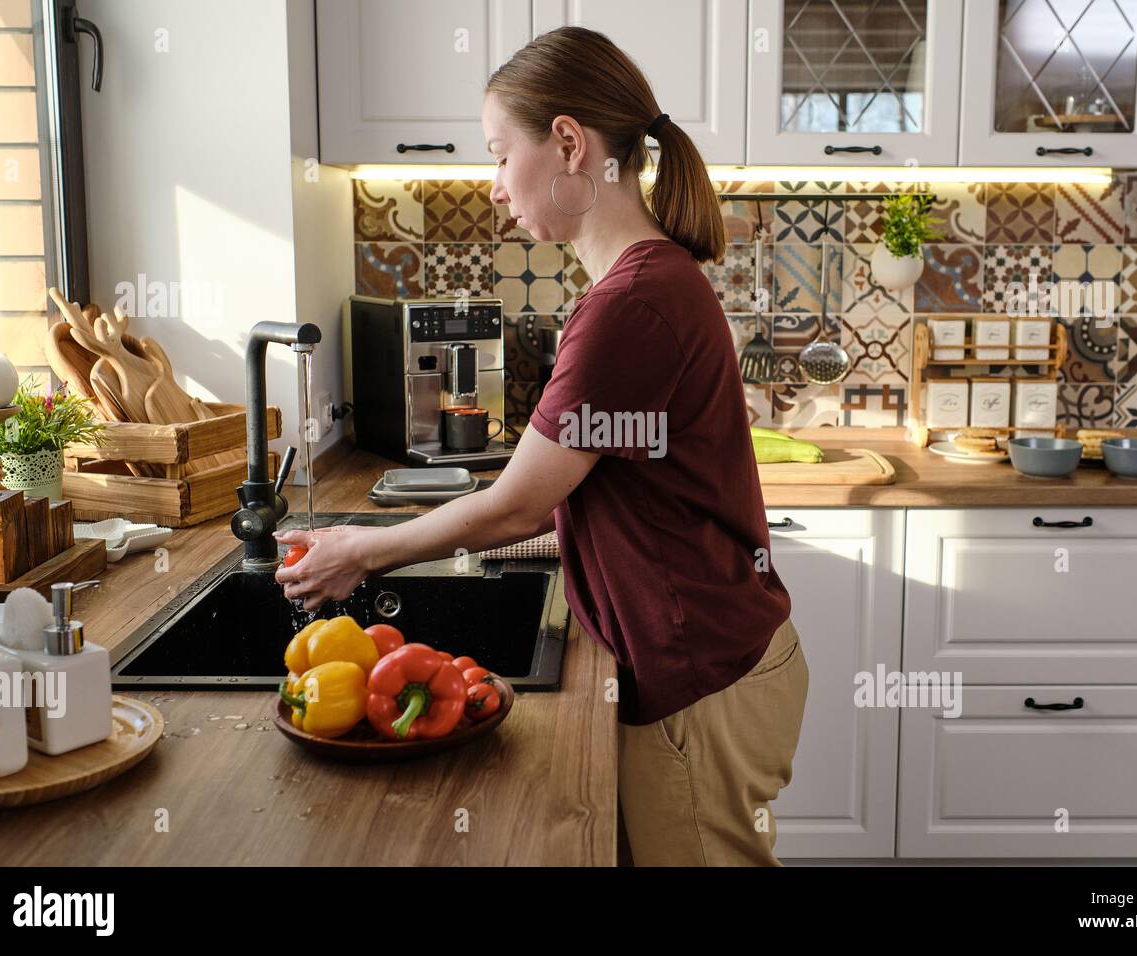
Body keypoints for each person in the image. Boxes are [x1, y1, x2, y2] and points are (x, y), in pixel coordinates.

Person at [275, 26, 808, 866]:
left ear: (568, 143)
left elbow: (516, 499)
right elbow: (583, 497)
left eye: (497, 154)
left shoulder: (631, 303)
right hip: (718, 662)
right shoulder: (644, 284)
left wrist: (363, 553)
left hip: (701, 678)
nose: (492, 187)